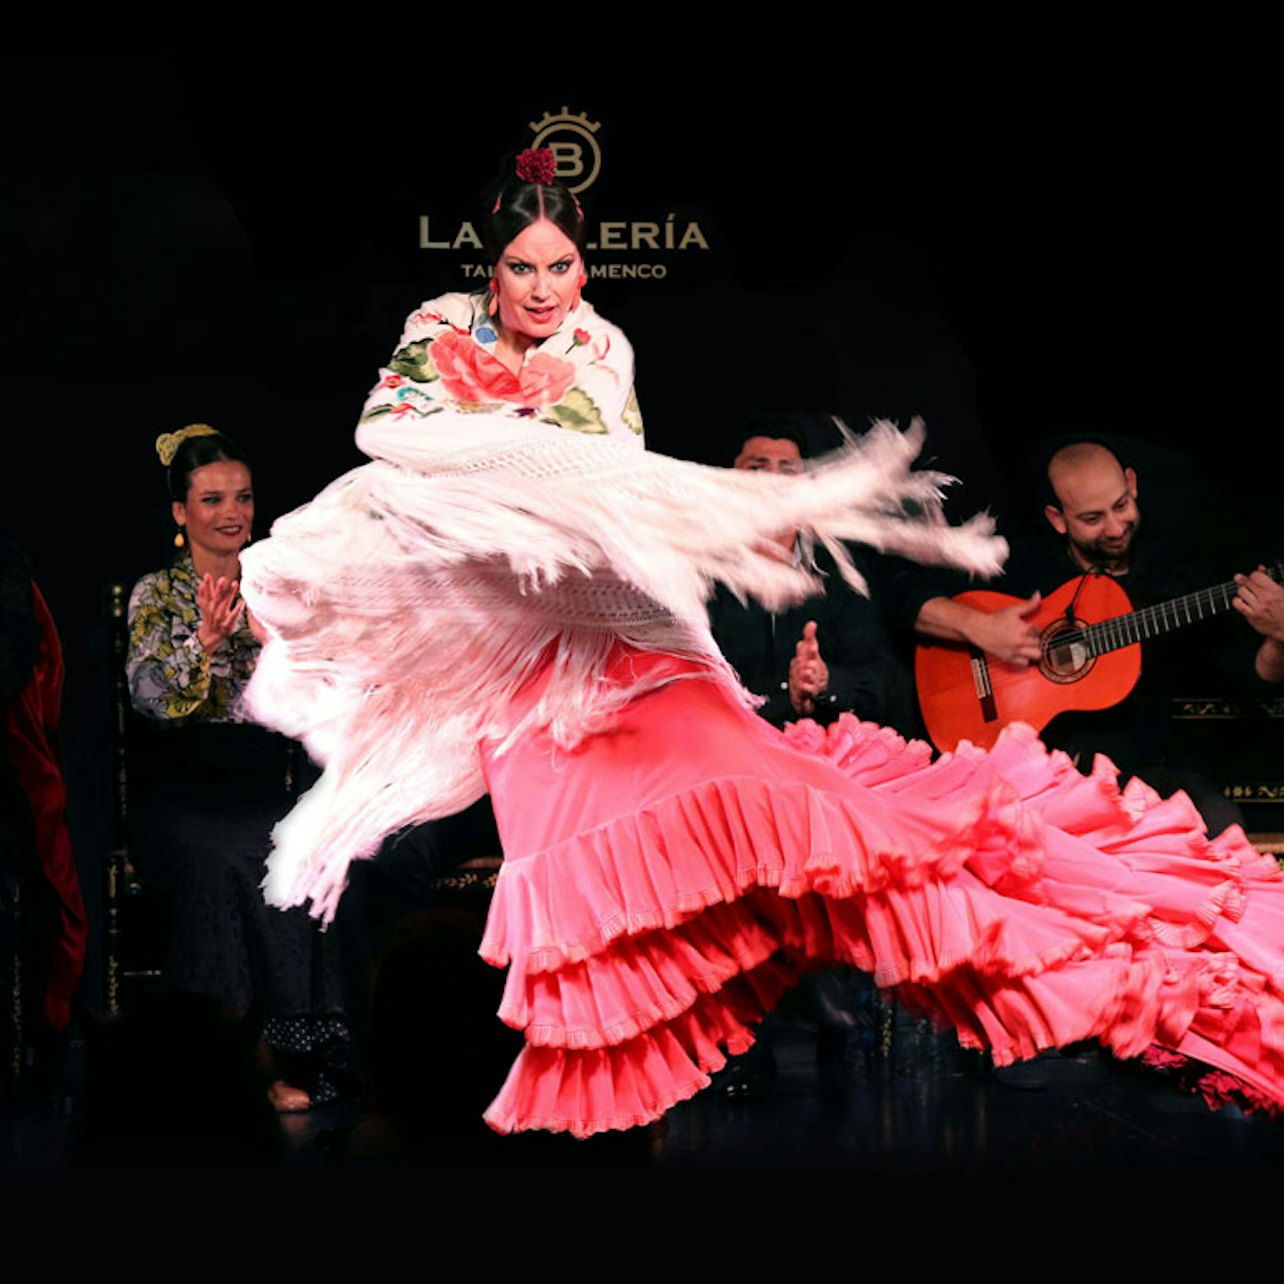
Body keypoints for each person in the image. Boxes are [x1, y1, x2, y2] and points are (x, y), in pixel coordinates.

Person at [238, 150, 1284, 1138]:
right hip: (526, 654)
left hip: (620, 626)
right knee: (598, 866)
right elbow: (389, 436)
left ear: (584, 266)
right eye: (522, 268)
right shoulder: (440, 324)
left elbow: (572, 494)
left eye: (562, 266)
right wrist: (487, 453)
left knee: (805, 818)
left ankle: (1119, 961)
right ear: (491, 269)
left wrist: (483, 451)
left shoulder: (601, 353)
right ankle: (506, 1097)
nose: (544, 289)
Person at [126, 425, 349, 1112]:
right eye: (213, 499)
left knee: (309, 852)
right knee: (225, 859)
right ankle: (227, 1068)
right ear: (180, 512)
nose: (232, 514)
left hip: (265, 785)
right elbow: (150, 700)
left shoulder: (282, 590)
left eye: (243, 498)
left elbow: (333, 692)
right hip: (182, 792)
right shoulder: (156, 594)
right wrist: (204, 642)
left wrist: (278, 645)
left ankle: (305, 1058)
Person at [913, 438, 1283, 832]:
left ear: (1132, 483)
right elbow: (904, 595)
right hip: (1025, 777)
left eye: (1121, 505)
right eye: (1092, 519)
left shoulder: (1178, 576)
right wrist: (981, 628)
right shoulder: (1019, 563)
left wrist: (1279, 634)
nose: (1115, 527)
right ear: (1058, 519)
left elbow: (1254, 675)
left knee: (1221, 823)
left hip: (1135, 779)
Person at [709, 417, 916, 735]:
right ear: (733, 474)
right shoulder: (703, 573)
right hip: (730, 751)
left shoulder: (842, 574)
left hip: (824, 757)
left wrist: (824, 682)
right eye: (757, 467)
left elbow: (879, 679)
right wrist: (785, 703)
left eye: (787, 469)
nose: (773, 481)